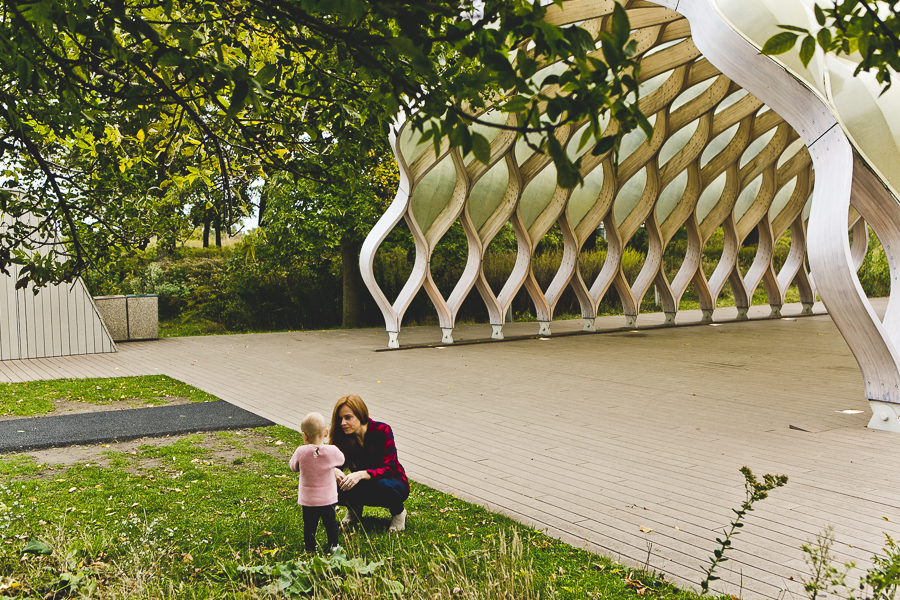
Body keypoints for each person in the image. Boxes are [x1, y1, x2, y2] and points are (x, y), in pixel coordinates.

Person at [328, 394, 409, 532]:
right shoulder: (343, 436)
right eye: (340, 419)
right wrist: (333, 470)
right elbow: (331, 463)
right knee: (330, 483)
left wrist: (361, 474)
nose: (342, 423)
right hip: (364, 484)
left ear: (360, 414)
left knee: (382, 485)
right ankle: (354, 508)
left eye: (348, 417)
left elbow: (389, 469)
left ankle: (398, 512)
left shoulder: (382, 430)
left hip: (392, 483)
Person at [289, 412, 345, 553]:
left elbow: (293, 467)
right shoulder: (331, 451)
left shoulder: (301, 452)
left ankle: (310, 548)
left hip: (308, 501)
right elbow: (342, 460)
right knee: (330, 523)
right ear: (326, 433)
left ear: (304, 436)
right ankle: (334, 545)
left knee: (309, 525)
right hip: (328, 499)